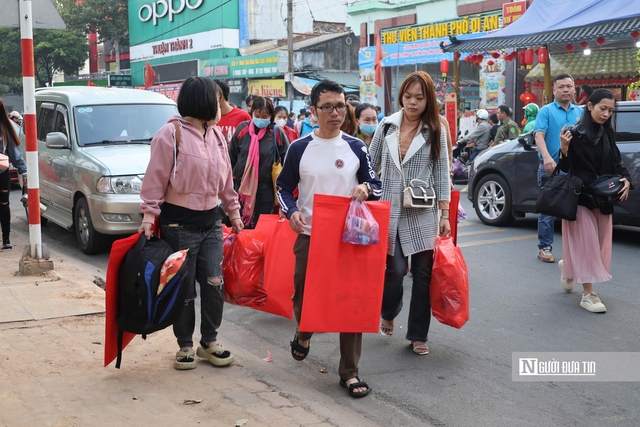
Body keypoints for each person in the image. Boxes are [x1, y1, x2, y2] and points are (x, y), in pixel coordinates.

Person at [276, 79, 382, 398]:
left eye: (340, 106)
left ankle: (349, 372)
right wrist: (291, 211)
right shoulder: (299, 148)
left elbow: (376, 185)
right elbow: (283, 187)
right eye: (327, 107)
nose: (335, 112)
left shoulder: (355, 147)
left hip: (350, 238)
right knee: (304, 296)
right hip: (310, 235)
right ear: (313, 112)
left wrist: (365, 189)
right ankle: (304, 332)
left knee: (352, 302)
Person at [138, 76, 243, 370]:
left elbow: (226, 181)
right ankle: (184, 344)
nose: (220, 105)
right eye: (216, 98)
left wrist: (233, 213)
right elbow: (155, 179)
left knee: (213, 283)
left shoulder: (217, 135)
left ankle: (209, 342)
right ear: (201, 101)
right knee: (184, 289)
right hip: (178, 226)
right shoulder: (170, 135)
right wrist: (149, 216)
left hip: (211, 224)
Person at [369, 71, 451, 356]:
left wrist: (444, 213)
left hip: (422, 209)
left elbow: (442, 172)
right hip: (389, 206)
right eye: (408, 97)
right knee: (394, 271)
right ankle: (389, 309)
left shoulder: (437, 128)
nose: (413, 103)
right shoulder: (386, 126)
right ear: (400, 97)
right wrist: (366, 192)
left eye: (419, 97)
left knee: (423, 274)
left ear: (428, 99)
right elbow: (371, 164)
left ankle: (418, 333)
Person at [557, 89, 632, 312]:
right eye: (603, 108)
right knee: (588, 244)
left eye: (610, 110)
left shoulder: (607, 134)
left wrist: (627, 179)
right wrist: (563, 150)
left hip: (603, 196)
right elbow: (565, 168)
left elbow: (617, 162)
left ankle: (569, 266)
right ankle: (588, 294)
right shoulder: (574, 133)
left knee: (598, 245)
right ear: (589, 106)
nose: (607, 114)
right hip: (581, 197)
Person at [534, 73, 583, 263]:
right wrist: (546, 158)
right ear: (554, 90)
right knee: (548, 208)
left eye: (569, 86)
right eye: (561, 87)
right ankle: (544, 247)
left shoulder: (580, 112)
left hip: (573, 168)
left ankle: (575, 249)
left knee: (575, 209)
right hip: (551, 168)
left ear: (574, 89)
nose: (565, 90)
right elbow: (539, 136)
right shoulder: (545, 111)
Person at [229, 96, 289, 227]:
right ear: (252, 113)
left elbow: (287, 160)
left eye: (265, 116)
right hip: (242, 186)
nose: (261, 119)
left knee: (262, 224)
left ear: (271, 115)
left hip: (265, 187)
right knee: (242, 224)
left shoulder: (276, 132)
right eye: (257, 115)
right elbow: (231, 156)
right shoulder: (242, 129)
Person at [0, 101, 27, 250]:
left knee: (4, 206)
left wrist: (24, 171)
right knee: (4, 206)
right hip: (2, 173)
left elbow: (16, 156)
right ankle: (5, 240)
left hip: (2, 174)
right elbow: (16, 156)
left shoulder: (6, 128)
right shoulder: (7, 128)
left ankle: (6, 239)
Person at [457, 109, 491, 193]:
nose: (476, 117)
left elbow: (474, 135)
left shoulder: (482, 125)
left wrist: (463, 140)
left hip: (480, 148)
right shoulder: (485, 124)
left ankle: (469, 186)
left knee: (470, 164)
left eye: (477, 116)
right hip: (480, 147)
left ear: (479, 117)